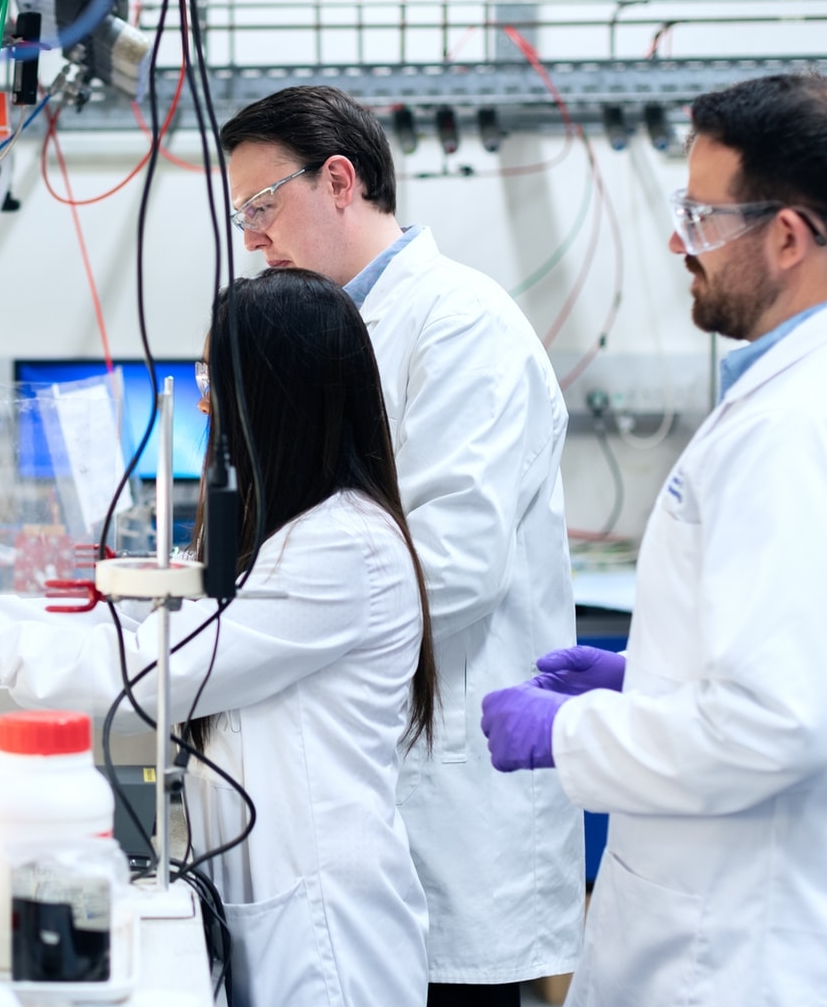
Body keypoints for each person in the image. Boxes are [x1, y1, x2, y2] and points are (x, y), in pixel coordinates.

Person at [480, 74, 827, 1005]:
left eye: (703, 218)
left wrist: (572, 731)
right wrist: (658, 678)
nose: (680, 242)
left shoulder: (806, 425)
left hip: (767, 949)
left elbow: (772, 728)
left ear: (789, 236)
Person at [0, 269, 435, 1007]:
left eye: (215, 378)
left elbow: (149, 675)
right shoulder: (299, 531)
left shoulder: (340, 548)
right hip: (279, 900)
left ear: (278, 392)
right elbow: (139, 627)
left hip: (327, 938)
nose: (203, 400)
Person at [217, 85, 581, 1004]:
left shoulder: (462, 324)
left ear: (339, 180)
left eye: (262, 207)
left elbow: (451, 566)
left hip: (450, 791)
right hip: (366, 784)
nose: (253, 238)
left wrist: (263, 635)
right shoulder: (330, 332)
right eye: (242, 217)